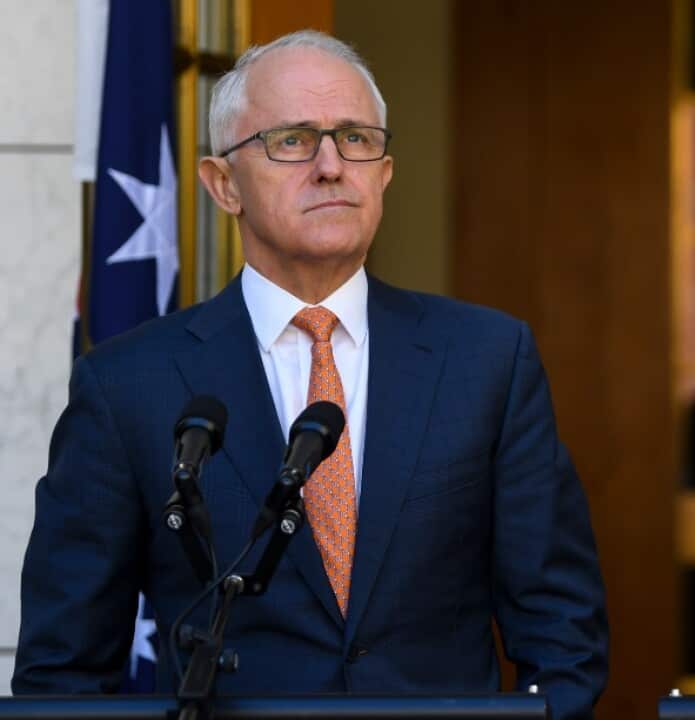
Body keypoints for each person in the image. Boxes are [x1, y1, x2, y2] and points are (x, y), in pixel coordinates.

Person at [13, 30, 608, 719]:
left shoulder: (487, 361)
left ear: (383, 173)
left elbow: (564, 636)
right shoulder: (126, 387)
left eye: (355, 138)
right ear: (223, 184)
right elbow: (63, 675)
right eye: (293, 140)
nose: (331, 165)